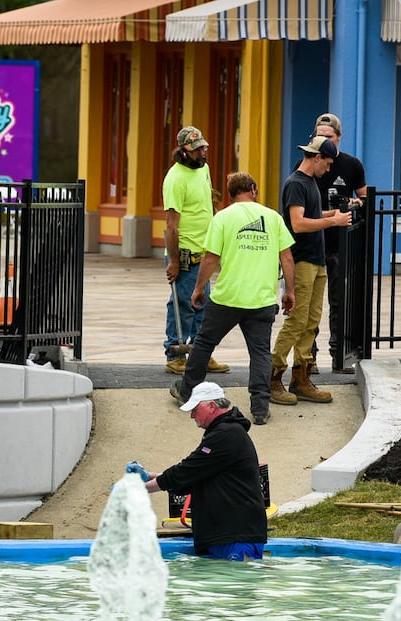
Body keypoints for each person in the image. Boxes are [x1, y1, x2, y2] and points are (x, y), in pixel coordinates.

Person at [169, 172, 296, 426]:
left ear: (231, 193)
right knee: (260, 353)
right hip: (261, 300)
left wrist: (198, 288)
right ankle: (260, 407)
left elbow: (210, 258)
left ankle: (187, 391)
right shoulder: (273, 218)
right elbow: (287, 258)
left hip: (227, 297)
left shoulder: (223, 217)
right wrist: (289, 291)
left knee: (204, 343)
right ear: (253, 188)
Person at [128, 381, 267, 560]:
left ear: (211, 406)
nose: (192, 415)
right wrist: (149, 476)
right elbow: (194, 475)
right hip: (227, 535)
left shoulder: (227, 434)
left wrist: (141, 488)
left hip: (235, 536)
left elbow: (186, 471)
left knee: (236, 586)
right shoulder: (224, 432)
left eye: (195, 408)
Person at [271, 137, 350, 407]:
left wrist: (333, 214)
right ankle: (272, 377)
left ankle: (301, 378)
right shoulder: (296, 183)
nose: (328, 170)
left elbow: (311, 214)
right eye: (327, 164)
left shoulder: (310, 184)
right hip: (302, 260)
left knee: (311, 323)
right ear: (316, 158)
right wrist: (333, 222)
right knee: (296, 322)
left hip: (317, 262)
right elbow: (298, 224)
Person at [161, 125, 230, 378]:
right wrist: (175, 261)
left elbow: (208, 201)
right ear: (184, 151)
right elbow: (171, 225)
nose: (203, 153)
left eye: (204, 148)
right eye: (198, 149)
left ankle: (202, 353)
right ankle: (175, 354)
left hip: (205, 250)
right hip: (186, 252)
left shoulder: (204, 170)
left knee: (204, 304)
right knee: (182, 303)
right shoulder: (175, 178)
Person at [311, 113, 367, 374]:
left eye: (329, 137)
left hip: (338, 245)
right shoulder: (306, 165)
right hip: (311, 243)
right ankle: (307, 358)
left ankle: (338, 356)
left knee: (338, 303)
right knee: (309, 304)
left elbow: (365, 197)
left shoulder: (352, 165)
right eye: (319, 137)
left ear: (339, 138)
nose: (323, 142)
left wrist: (357, 204)